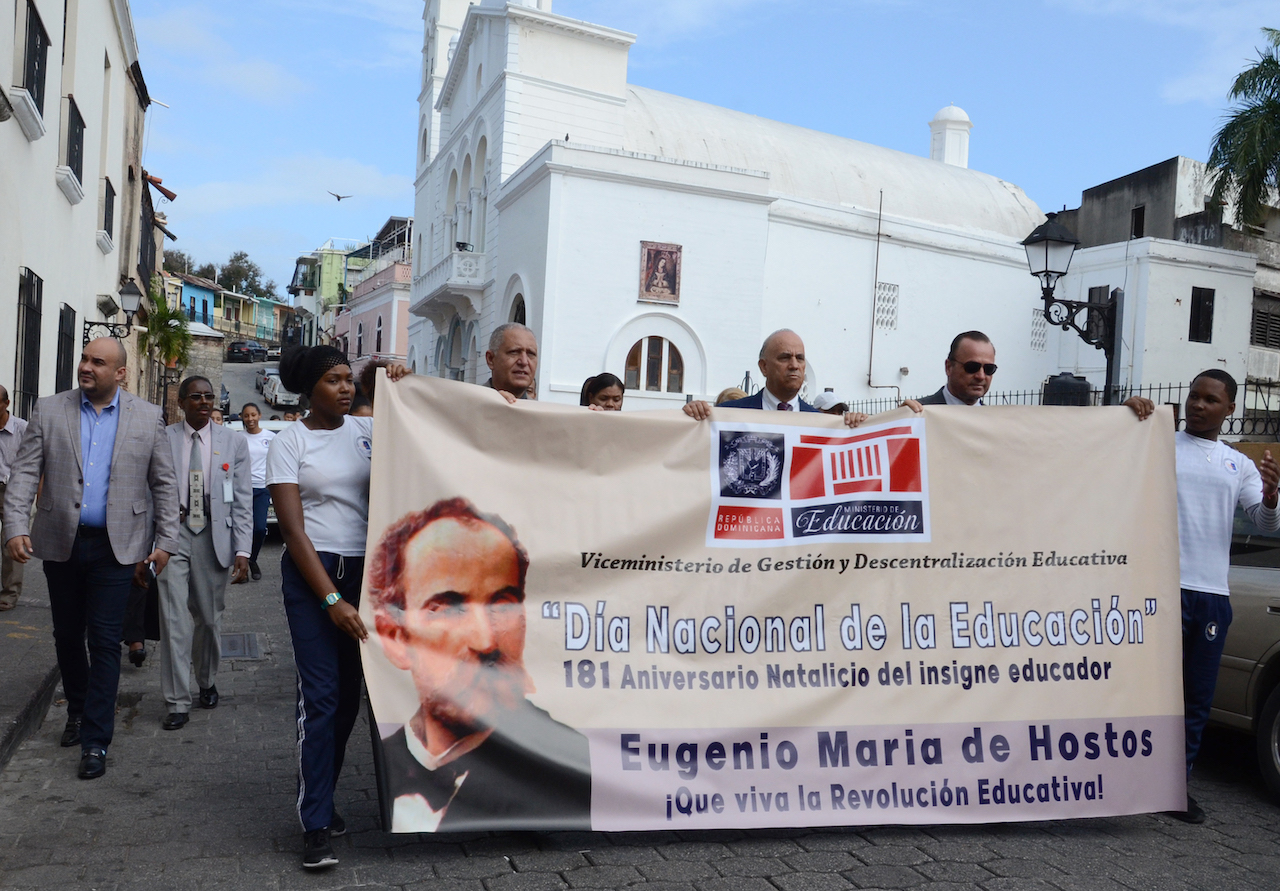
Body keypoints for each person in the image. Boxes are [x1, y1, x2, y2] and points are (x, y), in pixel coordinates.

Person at [2, 338, 178, 779]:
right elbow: (25, 471)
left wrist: (165, 540)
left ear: (120, 373)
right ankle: (77, 710)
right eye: (83, 358)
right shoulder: (49, 409)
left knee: (103, 641)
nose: (86, 367)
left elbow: (164, 483)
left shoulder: (146, 416)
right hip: (61, 539)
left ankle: (96, 740)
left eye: (97, 362)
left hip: (117, 546)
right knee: (66, 634)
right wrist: (15, 527)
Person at [368, 497, 591, 832]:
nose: (486, 641)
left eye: (502, 605)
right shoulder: (389, 760)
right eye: (449, 608)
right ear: (396, 637)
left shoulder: (569, 758)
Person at [266, 345, 408, 869]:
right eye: (333, 380)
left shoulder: (367, 432)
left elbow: (420, 439)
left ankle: (320, 792)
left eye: (350, 379)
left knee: (350, 699)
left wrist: (402, 383)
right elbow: (292, 530)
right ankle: (315, 822)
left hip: (366, 575)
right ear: (310, 389)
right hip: (313, 579)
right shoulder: (290, 442)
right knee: (321, 699)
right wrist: (330, 599)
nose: (346, 388)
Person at [1134, 371, 1279, 823]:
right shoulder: (1158, 443)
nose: (1198, 405)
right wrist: (1129, 415)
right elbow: (1108, 457)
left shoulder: (1239, 465)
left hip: (1212, 595)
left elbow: (1266, 523)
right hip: (1160, 588)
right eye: (1194, 396)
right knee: (1147, 691)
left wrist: (1273, 496)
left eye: (1210, 400)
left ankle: (1177, 786)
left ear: (1229, 409)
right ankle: (1127, 780)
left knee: (1195, 697)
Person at [157, 376, 252, 731]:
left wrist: (243, 549)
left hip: (215, 534)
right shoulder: (163, 439)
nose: (203, 402)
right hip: (173, 535)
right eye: (195, 397)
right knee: (174, 619)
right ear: (181, 402)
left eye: (208, 396)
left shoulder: (233, 442)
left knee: (209, 620)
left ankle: (206, 680)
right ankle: (177, 701)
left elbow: (242, 499)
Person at [684, 330, 869, 427]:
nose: (794, 365)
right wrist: (691, 418)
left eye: (800, 358)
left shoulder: (822, 423)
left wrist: (862, 428)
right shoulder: (727, 414)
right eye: (785, 357)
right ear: (764, 367)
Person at [0, 385, 29, 611]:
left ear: (6, 404)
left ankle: (9, 594)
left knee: (11, 541)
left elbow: (34, 463)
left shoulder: (21, 429)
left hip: (12, 491)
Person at [239, 403, 274, 581]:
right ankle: (242, 564)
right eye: (246, 416)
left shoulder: (270, 437)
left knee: (259, 528)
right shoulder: (238, 438)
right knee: (241, 528)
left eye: (253, 415)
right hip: (242, 489)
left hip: (262, 489)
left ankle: (252, 559)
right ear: (242, 418)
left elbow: (277, 462)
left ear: (259, 415)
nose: (250, 419)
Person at [917, 331, 997, 406]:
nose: (981, 376)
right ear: (949, 367)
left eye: (989, 369)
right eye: (972, 367)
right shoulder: (918, 414)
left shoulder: (996, 419)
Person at [485, 323, 538, 401]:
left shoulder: (539, 411)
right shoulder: (466, 405)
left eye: (531, 354)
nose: (524, 362)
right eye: (514, 352)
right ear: (491, 359)